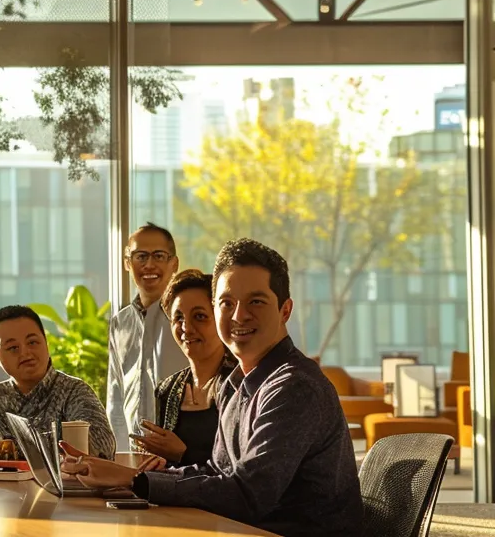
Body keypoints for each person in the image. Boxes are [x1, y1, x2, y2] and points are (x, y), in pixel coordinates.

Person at [61, 239, 362, 537]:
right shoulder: (237, 384)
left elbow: (248, 495)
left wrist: (135, 480)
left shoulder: (294, 386)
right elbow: (215, 471)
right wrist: (130, 476)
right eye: (226, 303)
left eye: (255, 301)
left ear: (285, 310)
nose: (239, 315)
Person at [0, 306, 113, 459]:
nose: (25, 353)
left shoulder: (74, 392)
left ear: (46, 342)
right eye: (13, 348)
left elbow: (100, 448)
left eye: (32, 342)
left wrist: (4, 448)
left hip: (61, 493)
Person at [132, 269, 238, 469]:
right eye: (178, 318)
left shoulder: (240, 384)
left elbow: (241, 470)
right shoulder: (167, 389)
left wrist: (184, 454)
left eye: (199, 316)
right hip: (172, 499)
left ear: (220, 319)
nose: (186, 328)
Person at [107, 223, 185, 453]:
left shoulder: (188, 320)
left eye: (159, 256)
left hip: (181, 451)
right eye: (140, 256)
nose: (149, 265)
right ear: (127, 263)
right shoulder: (120, 323)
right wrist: (118, 456)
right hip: (132, 453)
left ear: (174, 264)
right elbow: (116, 396)